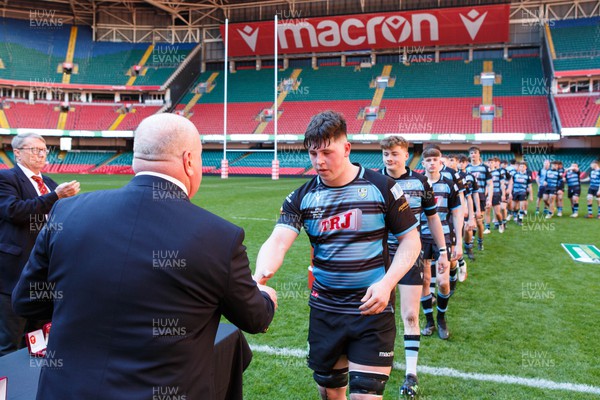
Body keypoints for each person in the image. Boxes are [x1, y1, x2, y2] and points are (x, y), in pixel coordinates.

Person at [12, 113, 276, 400]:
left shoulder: (68, 212)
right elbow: (254, 318)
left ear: (138, 158)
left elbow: (27, 300)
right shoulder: (219, 237)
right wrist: (265, 296)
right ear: (189, 160)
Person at [255, 111, 420, 400]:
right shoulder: (300, 198)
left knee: (364, 396)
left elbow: (411, 240)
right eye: (313, 153)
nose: (319, 161)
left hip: (371, 310)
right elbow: (278, 241)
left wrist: (387, 283)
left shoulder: (383, 188)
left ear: (346, 148)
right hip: (325, 312)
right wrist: (258, 277)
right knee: (330, 394)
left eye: (327, 152)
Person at [380, 136, 449, 397]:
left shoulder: (421, 182)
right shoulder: (376, 181)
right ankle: (383, 358)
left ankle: (411, 373)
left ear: (406, 155)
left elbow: (432, 219)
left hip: (411, 256)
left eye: (395, 154)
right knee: (381, 312)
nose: (390, 158)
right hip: (381, 258)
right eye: (386, 154)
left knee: (410, 315)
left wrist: (442, 251)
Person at [0, 133, 80, 356]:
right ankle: (6, 389)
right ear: (17, 153)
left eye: (44, 150)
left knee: (38, 341)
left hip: (46, 275)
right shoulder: (6, 178)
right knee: (9, 343)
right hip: (14, 275)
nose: (41, 154)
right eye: (34, 149)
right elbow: (14, 211)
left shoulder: (51, 183)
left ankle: (30, 388)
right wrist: (55, 197)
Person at [419, 147, 463, 341]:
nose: (431, 163)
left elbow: (456, 213)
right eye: (428, 160)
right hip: (420, 238)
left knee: (443, 283)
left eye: (435, 159)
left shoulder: (449, 184)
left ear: (440, 161)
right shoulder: (416, 184)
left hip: (444, 238)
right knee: (424, 281)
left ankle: (441, 318)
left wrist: (459, 242)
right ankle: (429, 321)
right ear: (423, 163)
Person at [466, 147, 492, 251]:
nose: (473, 155)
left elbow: (490, 184)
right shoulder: (466, 168)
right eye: (471, 153)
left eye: (475, 153)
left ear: (479, 155)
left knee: (479, 221)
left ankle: (480, 241)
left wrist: (489, 198)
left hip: (480, 197)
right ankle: (471, 239)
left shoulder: (485, 168)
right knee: (470, 220)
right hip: (468, 197)